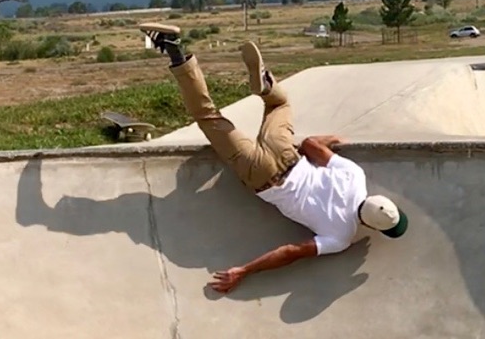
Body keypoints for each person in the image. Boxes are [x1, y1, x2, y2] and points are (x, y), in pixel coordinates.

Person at [138, 22, 408, 294]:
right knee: (209, 117)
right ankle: (175, 53)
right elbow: (290, 252)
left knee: (280, 104)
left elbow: (310, 144)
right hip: (262, 175)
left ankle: (266, 86)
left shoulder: (354, 176)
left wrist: (331, 140)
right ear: (371, 227)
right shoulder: (340, 237)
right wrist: (244, 271)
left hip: (286, 152)